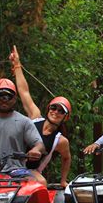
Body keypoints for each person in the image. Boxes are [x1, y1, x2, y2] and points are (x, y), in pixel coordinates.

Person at [8, 46, 72, 188]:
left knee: (41, 182)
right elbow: (24, 92)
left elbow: (67, 158)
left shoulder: (60, 141)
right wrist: (17, 65)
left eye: (61, 111)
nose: (55, 112)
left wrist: (63, 180)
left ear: (65, 117)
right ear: (48, 108)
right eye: (53, 107)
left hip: (29, 171)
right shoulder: (35, 118)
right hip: (9, 164)